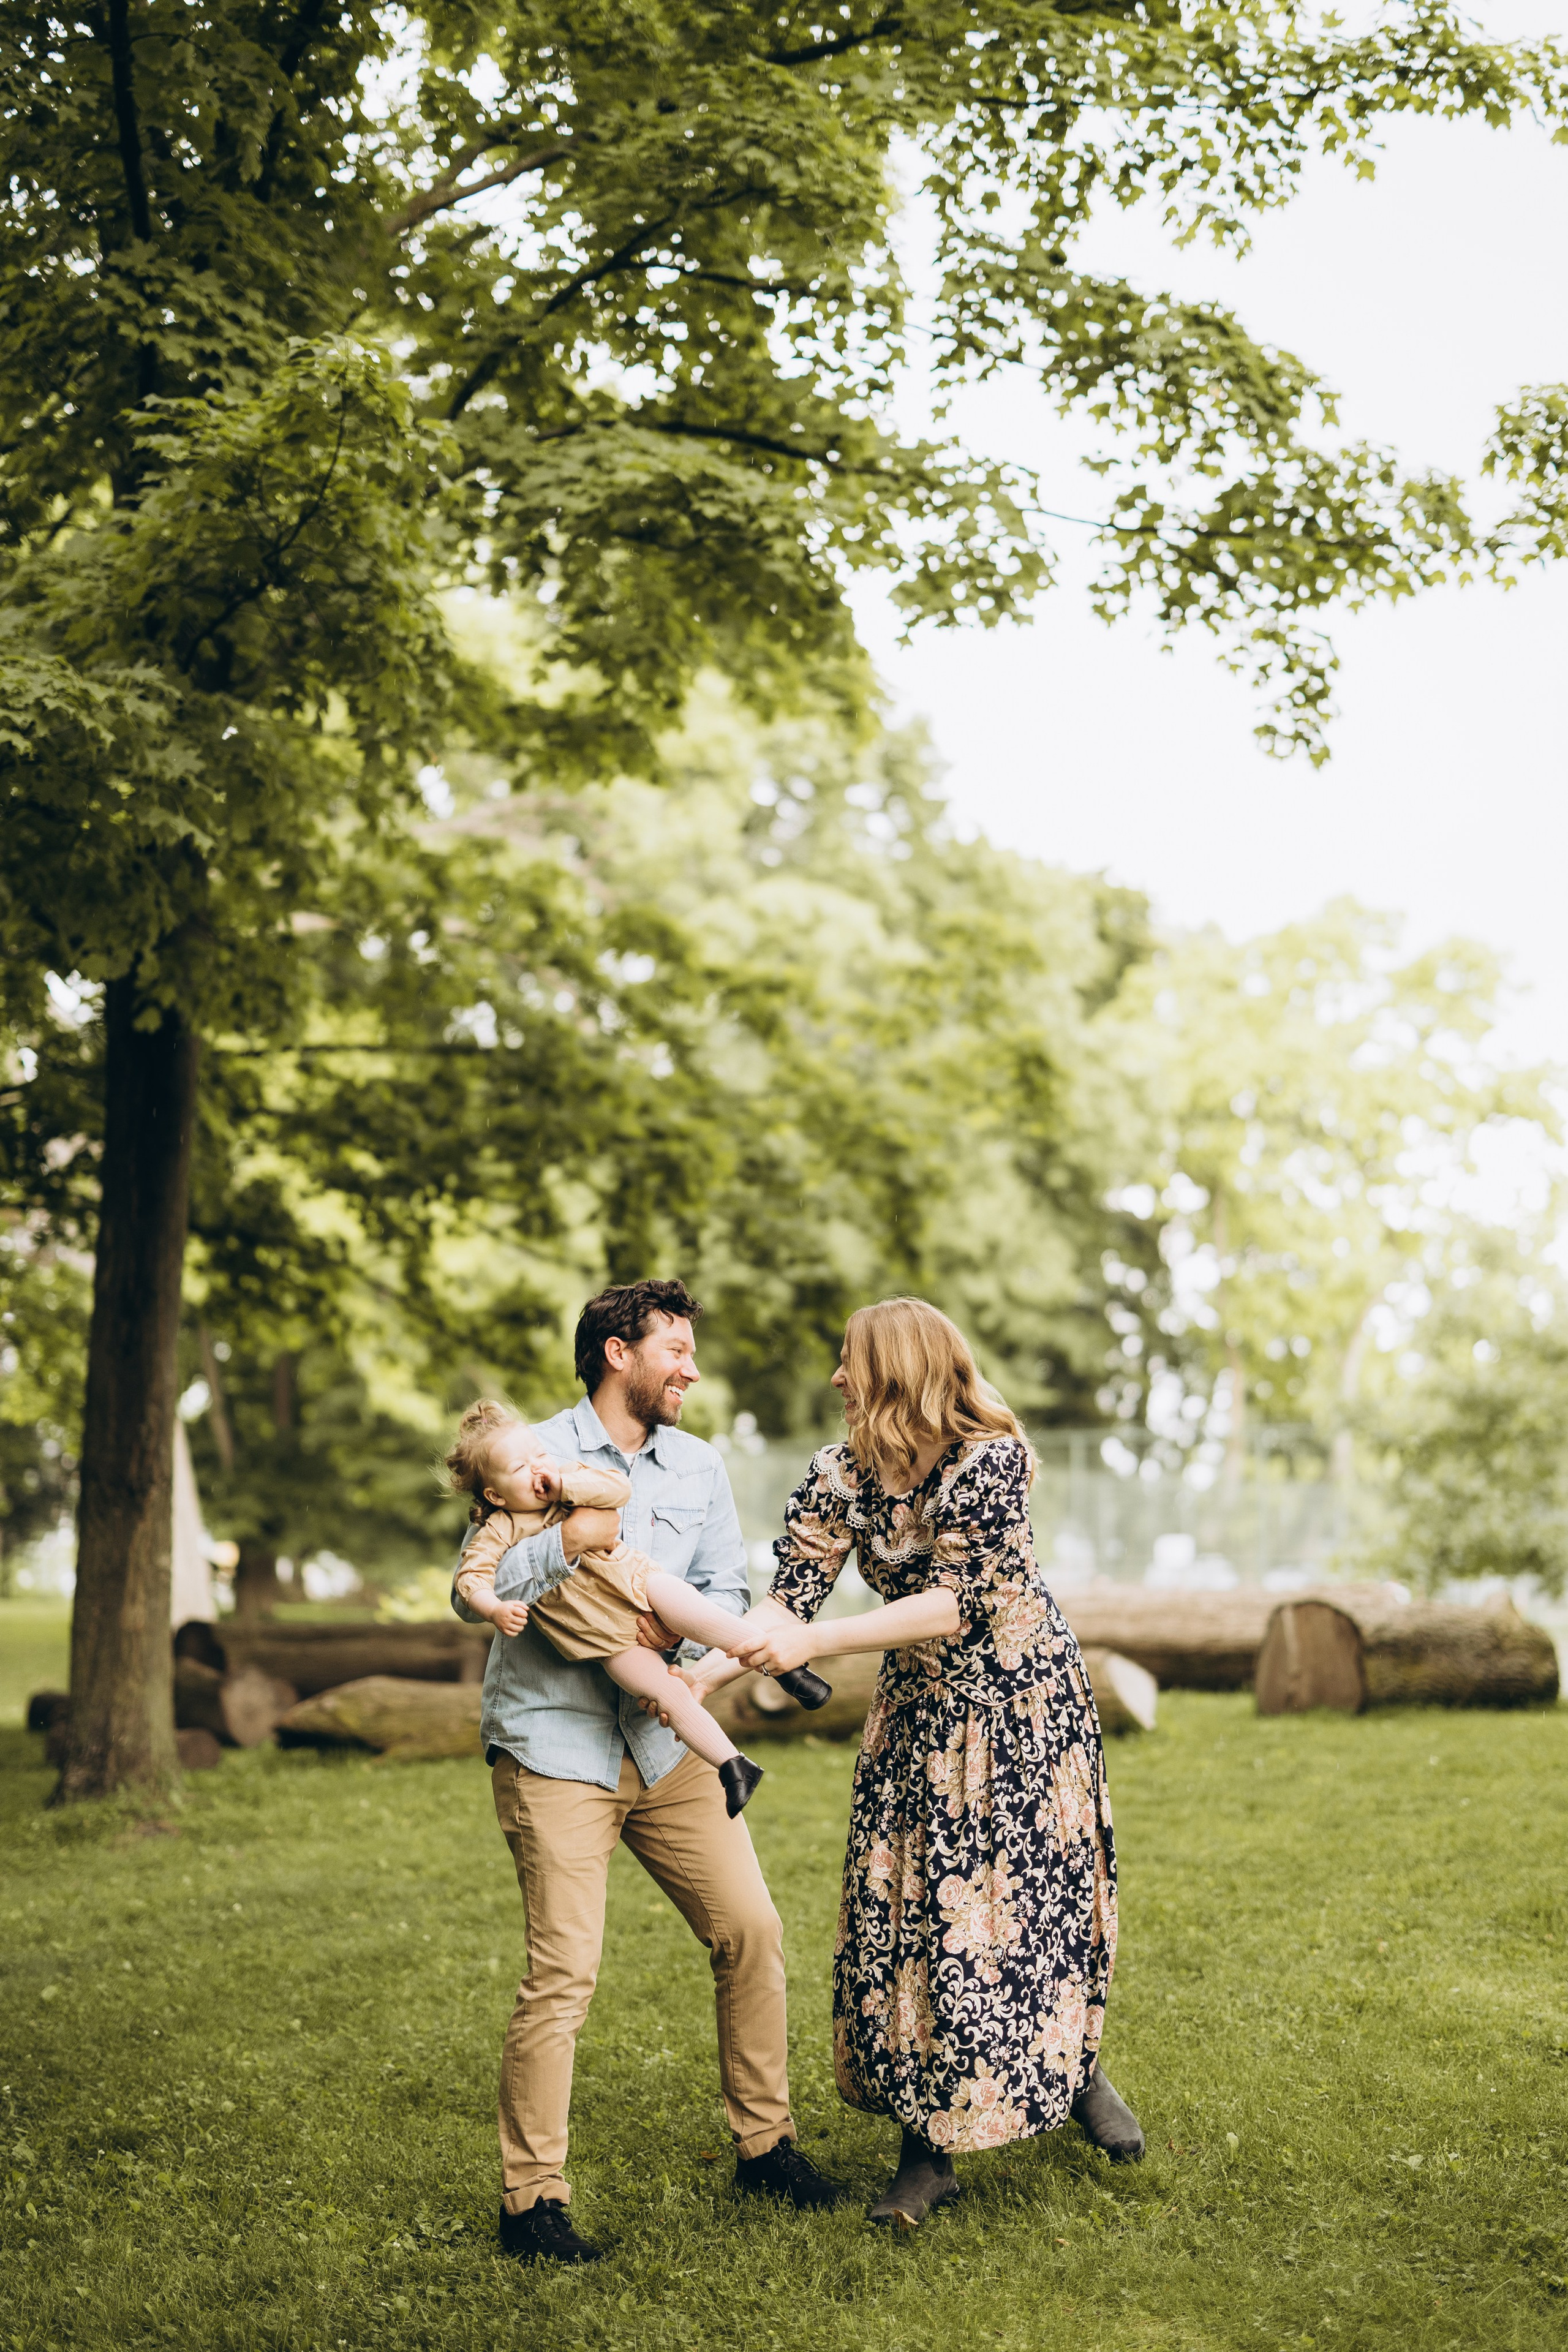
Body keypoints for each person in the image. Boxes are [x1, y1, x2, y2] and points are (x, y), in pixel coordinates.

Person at [669, 1295, 1143, 2225]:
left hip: (1020, 1712)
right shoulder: (842, 1474)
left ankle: (1075, 2070)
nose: (838, 1377)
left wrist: (821, 1644)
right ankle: (928, 2154)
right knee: (918, 1918)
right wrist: (701, 1679)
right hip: (919, 1720)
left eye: (851, 1360)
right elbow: (787, 1602)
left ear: (896, 1368)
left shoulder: (988, 1463)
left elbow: (956, 1603)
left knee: (1030, 1911)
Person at [450, 1278, 845, 2266]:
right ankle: (531, 2203)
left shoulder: (698, 1467)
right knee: (564, 1975)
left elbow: (722, 1591)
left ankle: (766, 2146)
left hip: (665, 1742)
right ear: (618, 1352)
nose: (692, 1367)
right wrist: (572, 1545)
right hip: (557, 1750)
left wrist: (681, 1653)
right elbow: (486, 1581)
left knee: (751, 1927)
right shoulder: (528, 1454)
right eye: (676, 1346)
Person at [446, 1399, 829, 1817]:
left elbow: (617, 1490)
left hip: (640, 1582)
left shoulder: (570, 1479)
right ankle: (733, 1765)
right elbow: (471, 1582)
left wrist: (564, 1486)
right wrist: (497, 1609)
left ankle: (786, 1667)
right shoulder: (500, 1530)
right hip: (606, 1640)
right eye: (520, 1469)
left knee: (699, 1616)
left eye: (539, 1455)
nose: (537, 1467)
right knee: (665, 1693)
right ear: (494, 1494)